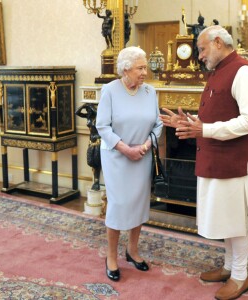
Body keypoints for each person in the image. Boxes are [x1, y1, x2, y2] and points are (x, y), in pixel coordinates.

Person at [160, 25, 248, 300]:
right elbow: (215, 116)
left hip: (235, 164)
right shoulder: (218, 72)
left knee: (237, 221)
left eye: (202, 49)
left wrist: (203, 130)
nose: (200, 56)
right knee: (226, 218)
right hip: (216, 160)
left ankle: (241, 276)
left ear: (218, 42)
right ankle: (229, 267)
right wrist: (186, 124)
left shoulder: (243, 72)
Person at [96, 46, 163, 281]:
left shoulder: (150, 92)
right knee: (118, 205)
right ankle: (111, 256)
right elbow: (102, 126)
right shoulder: (110, 90)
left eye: (145, 67)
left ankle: (132, 251)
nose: (145, 72)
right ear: (126, 69)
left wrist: (145, 147)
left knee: (138, 203)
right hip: (116, 156)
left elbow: (158, 125)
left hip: (142, 156)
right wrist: (125, 148)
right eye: (141, 67)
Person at [75, 103, 101, 190]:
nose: (88, 112)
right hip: (91, 141)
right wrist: (83, 106)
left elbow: (98, 113)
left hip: (98, 141)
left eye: (89, 110)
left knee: (98, 162)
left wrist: (91, 107)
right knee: (91, 162)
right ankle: (96, 181)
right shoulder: (88, 117)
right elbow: (77, 112)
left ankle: (98, 182)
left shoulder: (98, 116)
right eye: (87, 111)